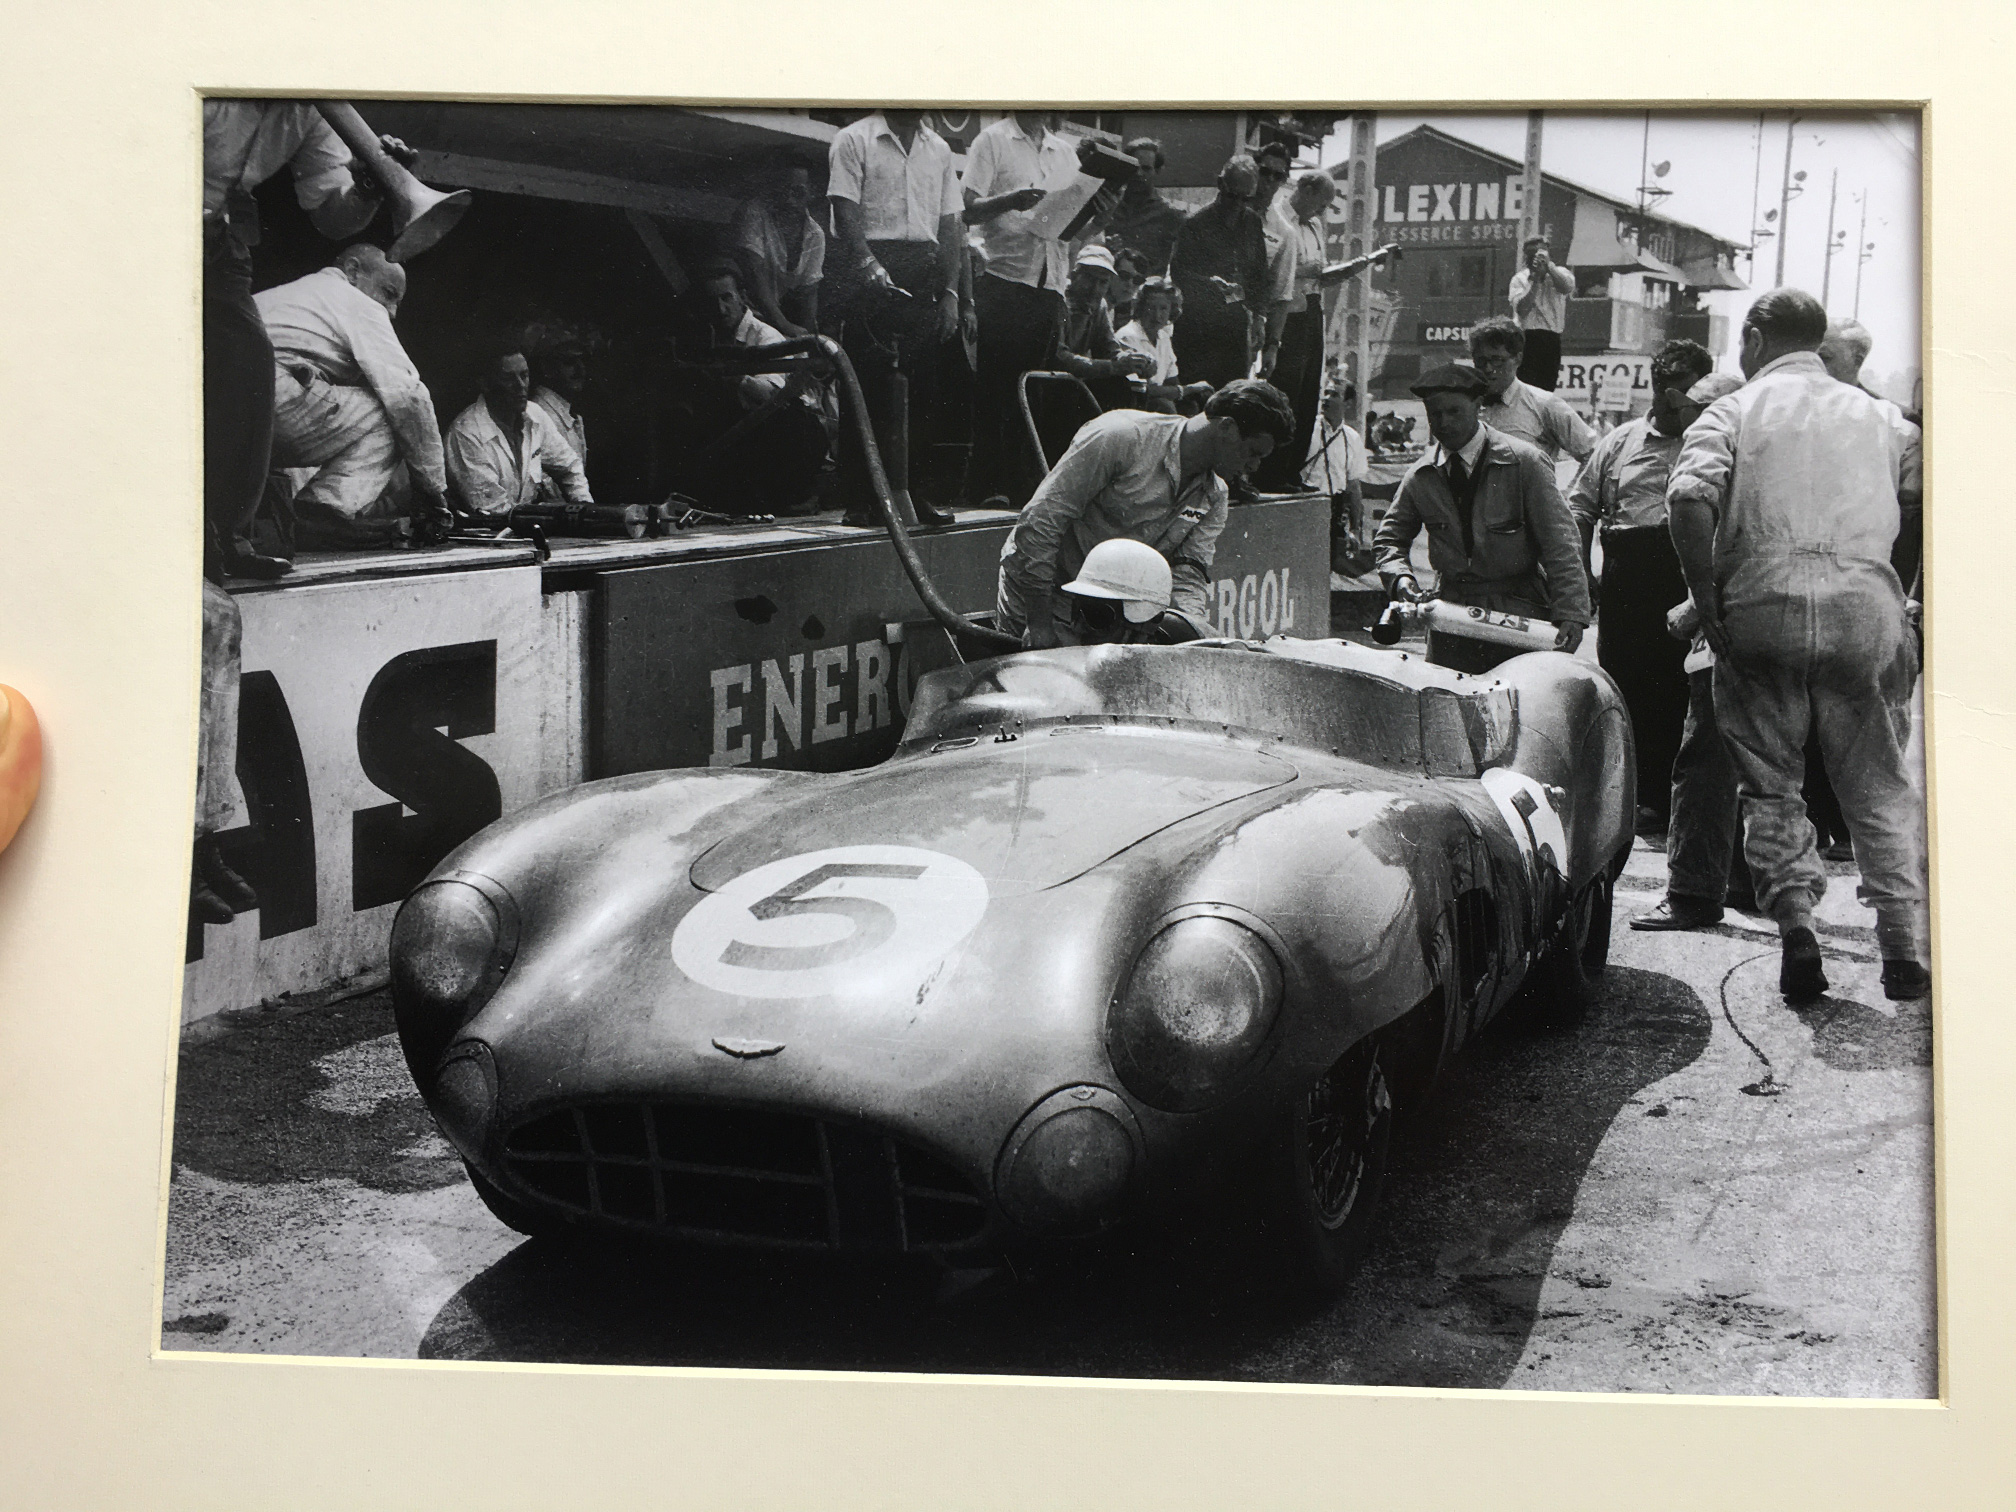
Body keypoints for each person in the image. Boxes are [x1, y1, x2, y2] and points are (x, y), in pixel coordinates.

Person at [1665, 288, 1928, 1002]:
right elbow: (1920, 495)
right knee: (1876, 781)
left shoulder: (1734, 409)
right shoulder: (1881, 416)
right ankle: (1901, 945)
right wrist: (1895, 587)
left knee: (1771, 784)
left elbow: (1689, 499)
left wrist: (1706, 598)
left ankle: (1797, 924)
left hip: (1761, 607)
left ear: (1754, 337)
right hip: (1863, 609)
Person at [197, 101, 415, 928]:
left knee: (246, 368)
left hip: (224, 231)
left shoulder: (314, 100)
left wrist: (368, 182)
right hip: (153, 207)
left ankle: (227, 530)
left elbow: (332, 209)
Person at [997, 379, 1295, 648]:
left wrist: (1201, 638)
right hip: (1043, 597)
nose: (1255, 467)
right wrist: (1037, 622)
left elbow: (1187, 574)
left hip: (1112, 614)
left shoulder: (1216, 495)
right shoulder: (1121, 436)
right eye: (1253, 452)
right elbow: (1040, 523)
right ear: (1227, 427)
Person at [1566, 338, 1715, 832]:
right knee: (1625, 685)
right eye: (1662, 387)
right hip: (1629, 576)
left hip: (1687, 574)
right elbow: (1580, 506)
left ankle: (1673, 800)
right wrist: (1584, 572)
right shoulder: (1620, 441)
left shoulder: (1713, 441)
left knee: (1683, 687)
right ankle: (1634, 796)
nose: (1669, 400)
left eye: (1682, 390)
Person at [1632, 372, 1758, 933]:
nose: (1689, 420)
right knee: (1763, 764)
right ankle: (1753, 883)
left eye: (1698, 410)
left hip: (1726, 634)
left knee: (1704, 760)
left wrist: (1691, 611)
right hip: (1768, 626)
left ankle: (1691, 891)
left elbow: (1717, 554)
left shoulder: (1717, 461)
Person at [1374, 362, 1592, 668]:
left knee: (1519, 706)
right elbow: (1388, 540)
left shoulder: (1524, 463)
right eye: (1435, 414)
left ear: (1478, 407)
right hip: (1451, 619)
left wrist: (1571, 612)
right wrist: (1400, 579)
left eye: (1454, 412)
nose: (1444, 423)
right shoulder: (1421, 475)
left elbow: (1560, 543)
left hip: (1519, 616)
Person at [256, 244, 450, 549]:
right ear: (353, 271)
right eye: (388, 293)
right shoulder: (355, 300)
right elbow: (407, 395)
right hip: (276, 391)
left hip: (223, 404)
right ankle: (323, 510)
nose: (392, 312)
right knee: (391, 411)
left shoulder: (283, 296)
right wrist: (433, 489)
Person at [824, 109, 963, 525]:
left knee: (922, 387)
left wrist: (952, 291)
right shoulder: (853, 139)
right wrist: (867, 262)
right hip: (866, 265)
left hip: (923, 267)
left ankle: (913, 493)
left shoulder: (939, 149)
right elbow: (843, 209)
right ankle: (863, 500)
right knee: (864, 383)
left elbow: (951, 223)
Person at [963, 112, 1089, 509]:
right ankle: (984, 485)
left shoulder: (1065, 152)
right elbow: (967, 209)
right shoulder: (992, 140)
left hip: (1050, 283)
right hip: (1005, 278)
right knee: (997, 390)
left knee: (1037, 390)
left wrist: (1098, 211)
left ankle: (1022, 485)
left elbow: (1071, 226)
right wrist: (1013, 200)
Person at [1819, 316, 1924, 591]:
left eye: (1825, 356)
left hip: (1870, 576)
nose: (1815, 366)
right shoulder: (1787, 414)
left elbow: (1910, 519)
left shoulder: (1900, 424)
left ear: (1857, 359)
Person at [1256, 170, 1338, 490]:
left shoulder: (1315, 225)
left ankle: (1293, 471)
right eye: (1321, 202)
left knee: (1308, 393)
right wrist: (1308, 270)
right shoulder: (1277, 218)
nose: (1321, 211)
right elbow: (1275, 267)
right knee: (1286, 389)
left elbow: (1319, 271)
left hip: (1314, 308)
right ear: (1304, 189)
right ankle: (1272, 472)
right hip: (1289, 310)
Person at [445, 346, 594, 520]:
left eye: (524, 376)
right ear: (485, 384)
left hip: (525, 531)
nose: (521, 386)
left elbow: (570, 466)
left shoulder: (535, 415)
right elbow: (493, 512)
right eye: (508, 378)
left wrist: (586, 509)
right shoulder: (467, 433)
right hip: (485, 537)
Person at [1168, 155, 1271, 392]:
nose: (1238, 204)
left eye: (1246, 199)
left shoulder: (1252, 223)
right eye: (1233, 196)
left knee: (1232, 394)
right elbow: (1179, 272)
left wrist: (1259, 318)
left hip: (1234, 326)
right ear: (1221, 184)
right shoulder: (1196, 223)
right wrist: (1210, 285)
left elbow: (1260, 274)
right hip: (1198, 325)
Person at [1469, 316, 1596, 468]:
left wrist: (1575, 491)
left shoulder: (1543, 404)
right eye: (1481, 361)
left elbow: (1593, 456)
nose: (1488, 369)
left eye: (1497, 360)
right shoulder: (1464, 406)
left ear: (1518, 359)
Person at [730, 150, 826, 339]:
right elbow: (755, 278)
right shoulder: (754, 213)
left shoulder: (815, 235)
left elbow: (809, 294)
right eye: (783, 190)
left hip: (772, 323)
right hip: (741, 315)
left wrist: (809, 341)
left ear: (812, 194)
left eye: (797, 192)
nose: (789, 200)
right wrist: (784, 326)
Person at [1055, 244, 1157, 409]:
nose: (1095, 288)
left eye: (1102, 282)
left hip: (1071, 382)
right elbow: (1060, 358)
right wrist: (1113, 366)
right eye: (1089, 279)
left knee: (1124, 387)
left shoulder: (1099, 305)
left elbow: (1110, 350)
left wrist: (1137, 361)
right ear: (1074, 276)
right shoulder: (1057, 301)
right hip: (1046, 381)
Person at [1057, 537, 1210, 646]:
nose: (1076, 627)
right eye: (1076, 612)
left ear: (1148, 623)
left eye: (1097, 616)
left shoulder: (1193, 647)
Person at [1302, 381, 1370, 572]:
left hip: (1333, 512)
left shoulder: (1352, 437)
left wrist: (1355, 529)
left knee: (1324, 570)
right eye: (1326, 392)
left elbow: (1354, 486)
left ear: (1347, 403)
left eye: (1334, 395)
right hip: (1305, 507)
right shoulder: (1307, 429)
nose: (1326, 398)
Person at [1115, 278, 1210, 414]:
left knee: (1194, 404)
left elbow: (1172, 382)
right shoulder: (1128, 336)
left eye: (1163, 308)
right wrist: (1188, 389)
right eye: (1151, 308)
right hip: (1134, 405)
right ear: (1140, 308)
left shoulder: (1163, 337)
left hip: (1156, 404)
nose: (1157, 316)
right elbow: (1143, 389)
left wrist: (1192, 391)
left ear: (1172, 310)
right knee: (1164, 405)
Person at [1102, 137, 1187, 276]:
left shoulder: (1170, 214)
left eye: (1146, 168)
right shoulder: (1108, 206)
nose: (1138, 173)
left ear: (1157, 171)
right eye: (1134, 167)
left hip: (1147, 293)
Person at [1507, 235, 1576, 391]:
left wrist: (1549, 268)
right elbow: (1522, 309)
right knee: (1525, 385)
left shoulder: (1560, 273)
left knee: (1547, 386)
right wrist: (1535, 280)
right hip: (1527, 336)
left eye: (1540, 252)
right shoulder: (1519, 279)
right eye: (1532, 253)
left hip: (1550, 336)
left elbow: (1567, 288)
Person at [527, 323, 592, 479]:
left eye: (582, 360)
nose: (580, 369)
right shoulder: (541, 415)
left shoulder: (566, 412)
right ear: (547, 368)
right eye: (569, 361)